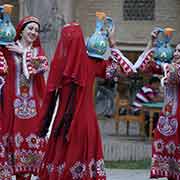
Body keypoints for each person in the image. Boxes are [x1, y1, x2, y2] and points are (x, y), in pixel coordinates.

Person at [37, 22, 135, 180]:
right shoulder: (91, 62)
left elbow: (49, 95)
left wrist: (43, 124)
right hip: (84, 121)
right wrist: (112, 42)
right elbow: (125, 69)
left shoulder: (58, 65)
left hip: (63, 122)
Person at [0, 16, 48, 180]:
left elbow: (42, 66)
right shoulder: (8, 49)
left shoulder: (38, 52)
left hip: (32, 111)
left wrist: (25, 53)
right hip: (10, 106)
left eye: (36, 30)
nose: (34, 32)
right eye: (30, 28)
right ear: (20, 31)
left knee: (26, 164)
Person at [136, 29, 180, 180]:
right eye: (176, 52)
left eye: (179, 52)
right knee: (171, 164)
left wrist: (164, 63)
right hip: (168, 120)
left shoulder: (173, 70)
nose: (176, 54)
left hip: (177, 121)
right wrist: (152, 43)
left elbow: (173, 74)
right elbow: (142, 67)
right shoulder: (169, 67)